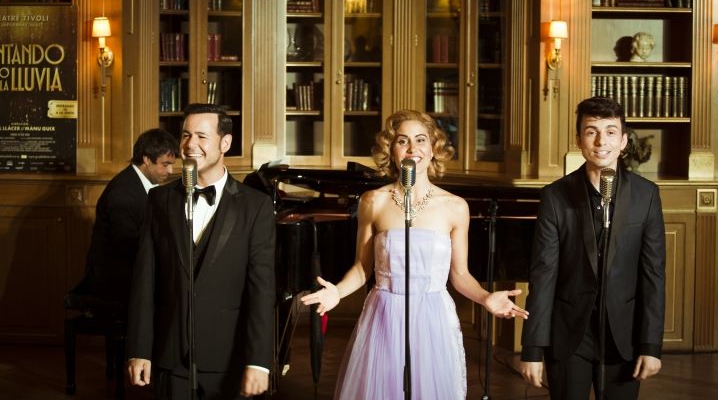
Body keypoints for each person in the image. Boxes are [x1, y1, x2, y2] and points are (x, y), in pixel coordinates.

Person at [300, 109, 528, 399]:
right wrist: (338, 292)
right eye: (402, 141)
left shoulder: (455, 207)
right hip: (383, 315)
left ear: (433, 150)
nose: (412, 148)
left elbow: (459, 275)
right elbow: (362, 268)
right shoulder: (373, 202)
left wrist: (486, 298)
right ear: (391, 150)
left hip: (434, 319)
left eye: (421, 140)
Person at [520, 97, 666, 399]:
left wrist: (650, 346)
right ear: (579, 140)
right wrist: (532, 349)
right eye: (591, 131)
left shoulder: (646, 195)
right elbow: (543, 276)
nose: (602, 141)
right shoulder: (555, 196)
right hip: (569, 337)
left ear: (624, 140)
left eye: (611, 132)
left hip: (624, 338)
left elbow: (653, 275)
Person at [127, 103, 276, 399]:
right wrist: (139, 349)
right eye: (185, 135)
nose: (189, 145)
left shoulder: (255, 206)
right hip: (170, 358)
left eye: (201, 136)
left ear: (225, 143)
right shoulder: (159, 200)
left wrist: (259, 360)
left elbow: (262, 289)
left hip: (229, 359)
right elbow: (145, 281)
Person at [69, 128, 179, 313]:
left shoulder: (142, 185)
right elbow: (127, 245)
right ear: (146, 159)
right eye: (165, 164)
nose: (170, 170)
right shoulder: (123, 192)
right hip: (112, 279)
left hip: (128, 269)